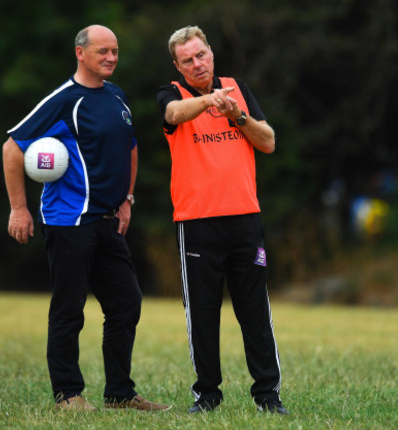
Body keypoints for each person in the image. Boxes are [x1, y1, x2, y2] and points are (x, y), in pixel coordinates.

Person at [2, 24, 170, 412]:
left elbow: (131, 148)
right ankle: (68, 394)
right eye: (102, 51)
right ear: (81, 53)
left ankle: (120, 394)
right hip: (69, 222)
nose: (111, 57)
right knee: (69, 308)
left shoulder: (116, 96)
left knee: (126, 303)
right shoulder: (64, 101)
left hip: (108, 222)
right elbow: (13, 148)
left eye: (115, 51)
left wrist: (127, 198)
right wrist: (19, 208)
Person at [156, 25, 288, 415]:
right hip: (197, 223)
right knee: (203, 314)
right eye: (187, 60)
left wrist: (238, 115)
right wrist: (210, 100)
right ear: (177, 67)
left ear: (211, 52)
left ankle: (268, 396)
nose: (197, 64)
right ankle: (207, 396)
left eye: (201, 55)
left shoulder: (238, 88)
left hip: (245, 219)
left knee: (254, 311)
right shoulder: (172, 94)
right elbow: (173, 114)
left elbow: (268, 142)